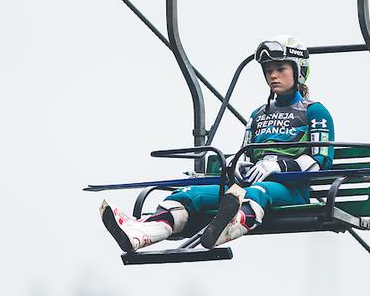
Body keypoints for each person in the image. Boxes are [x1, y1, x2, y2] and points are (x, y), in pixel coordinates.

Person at [100, 35, 334, 252]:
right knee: (189, 194)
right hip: (246, 189)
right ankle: (143, 233)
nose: (273, 76)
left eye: (281, 69)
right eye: (268, 70)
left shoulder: (314, 111)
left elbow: (321, 159)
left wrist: (280, 166)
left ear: (299, 70)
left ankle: (229, 225)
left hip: (291, 190)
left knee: (257, 192)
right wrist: (239, 166)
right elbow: (247, 154)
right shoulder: (258, 115)